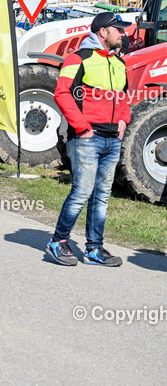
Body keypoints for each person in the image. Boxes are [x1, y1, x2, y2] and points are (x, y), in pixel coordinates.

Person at [47, 13, 130, 267]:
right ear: (103, 32)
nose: (123, 34)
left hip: (112, 140)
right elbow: (62, 93)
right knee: (82, 191)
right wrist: (82, 128)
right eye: (118, 29)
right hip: (86, 138)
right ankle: (58, 242)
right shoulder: (78, 58)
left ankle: (94, 249)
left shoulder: (118, 62)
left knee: (102, 195)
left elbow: (123, 96)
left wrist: (124, 119)